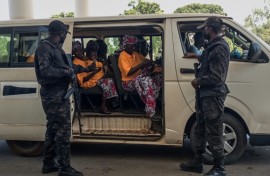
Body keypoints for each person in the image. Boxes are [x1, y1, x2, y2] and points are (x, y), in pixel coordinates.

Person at [180, 16, 230, 176]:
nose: (203, 31)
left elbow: (218, 77)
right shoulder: (212, 46)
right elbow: (210, 61)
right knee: (200, 128)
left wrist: (199, 80)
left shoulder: (220, 47)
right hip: (205, 95)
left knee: (214, 131)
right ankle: (197, 162)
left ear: (210, 28)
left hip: (213, 95)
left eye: (205, 28)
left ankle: (220, 168)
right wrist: (197, 57)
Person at [34, 20, 83, 176]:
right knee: (62, 131)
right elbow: (45, 71)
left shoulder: (55, 48)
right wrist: (66, 73)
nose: (65, 37)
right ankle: (65, 168)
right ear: (60, 33)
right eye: (64, 34)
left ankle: (48, 164)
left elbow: (61, 67)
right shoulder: (44, 48)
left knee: (52, 130)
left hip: (58, 93)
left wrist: (72, 71)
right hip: (53, 94)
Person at [118, 35, 162, 132]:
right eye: (131, 45)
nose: (134, 47)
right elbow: (128, 72)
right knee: (145, 80)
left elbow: (145, 60)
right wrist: (142, 65)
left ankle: (152, 103)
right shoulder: (122, 56)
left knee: (159, 77)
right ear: (125, 45)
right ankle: (151, 111)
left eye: (134, 45)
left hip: (139, 78)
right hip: (128, 82)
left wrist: (152, 63)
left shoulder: (135, 53)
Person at [73, 40, 118, 114]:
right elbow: (83, 80)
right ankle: (103, 107)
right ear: (74, 53)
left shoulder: (83, 59)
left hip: (94, 78)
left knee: (110, 78)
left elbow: (98, 64)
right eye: (78, 51)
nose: (81, 52)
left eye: (81, 50)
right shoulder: (75, 63)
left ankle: (112, 103)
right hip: (87, 82)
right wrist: (94, 72)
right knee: (108, 81)